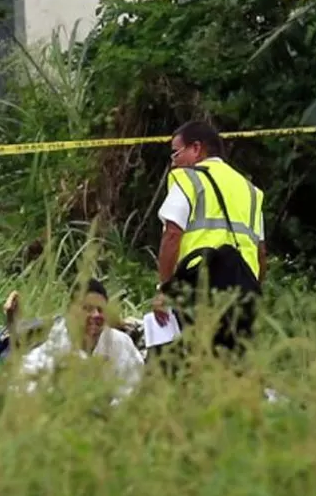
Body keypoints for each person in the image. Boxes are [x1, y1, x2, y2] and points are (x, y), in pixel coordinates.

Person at [156, 120, 266, 356]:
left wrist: (164, 289)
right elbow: (260, 251)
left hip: (198, 288)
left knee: (193, 365)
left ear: (196, 148)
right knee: (233, 370)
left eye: (176, 153)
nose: (173, 162)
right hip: (243, 292)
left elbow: (172, 234)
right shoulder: (250, 191)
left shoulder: (189, 180)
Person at [14, 280, 144, 401]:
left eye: (100, 310)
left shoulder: (119, 342)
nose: (96, 315)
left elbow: (132, 387)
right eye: (88, 309)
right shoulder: (54, 346)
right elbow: (26, 389)